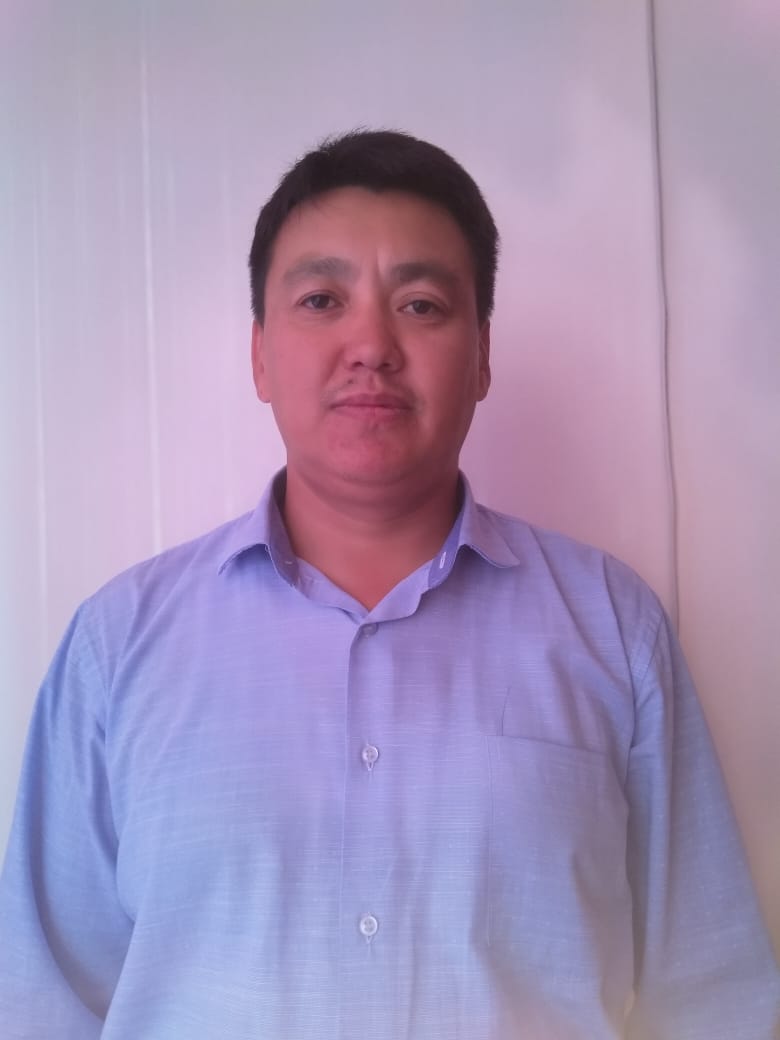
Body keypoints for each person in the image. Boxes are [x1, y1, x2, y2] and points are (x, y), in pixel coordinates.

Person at [0, 129, 777, 1040]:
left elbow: (708, 994)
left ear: (482, 356)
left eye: (420, 304)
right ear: (260, 354)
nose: (370, 344)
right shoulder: (119, 644)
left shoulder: (610, 625)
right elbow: (42, 1002)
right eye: (321, 300)